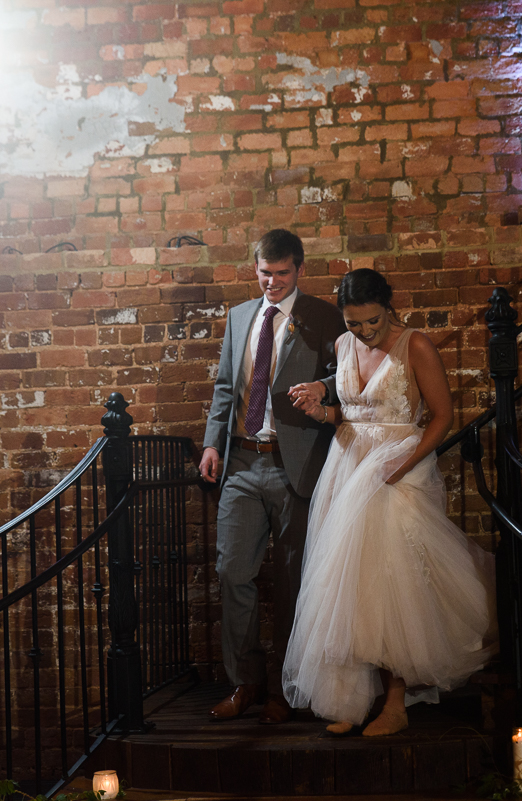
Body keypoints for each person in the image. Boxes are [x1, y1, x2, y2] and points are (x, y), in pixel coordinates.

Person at [283, 268, 496, 736]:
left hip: (397, 466)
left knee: (392, 581)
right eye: (354, 323)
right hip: (347, 465)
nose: (363, 332)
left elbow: (442, 417)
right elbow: (355, 411)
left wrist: (403, 464)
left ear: (387, 306)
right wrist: (322, 411)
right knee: (349, 582)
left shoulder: (415, 345)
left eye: (372, 322)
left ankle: (396, 701)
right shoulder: (342, 346)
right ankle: (353, 698)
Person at [199, 228, 348, 724]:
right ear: (256, 268)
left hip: (296, 463)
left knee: (290, 579)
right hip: (241, 460)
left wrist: (323, 387)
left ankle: (285, 691)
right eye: (265, 273)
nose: (272, 282)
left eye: (282, 273)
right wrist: (211, 444)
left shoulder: (325, 316)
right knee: (231, 571)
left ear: (299, 270)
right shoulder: (239, 316)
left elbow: (347, 375)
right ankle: (245, 682)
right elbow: (225, 386)